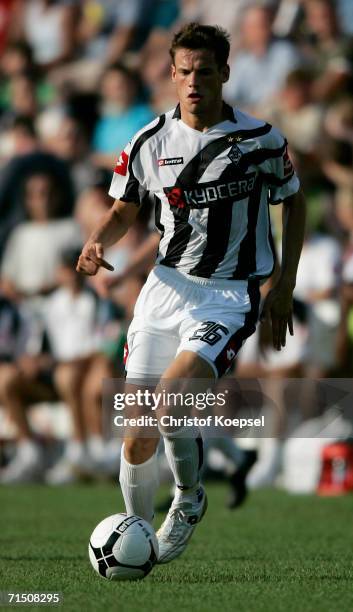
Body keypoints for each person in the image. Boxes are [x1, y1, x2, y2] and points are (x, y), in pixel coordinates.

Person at [77, 23, 306, 564]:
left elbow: (293, 201)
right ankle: (136, 537)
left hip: (227, 295)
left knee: (173, 397)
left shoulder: (261, 140)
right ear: (171, 75)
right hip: (164, 289)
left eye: (206, 71)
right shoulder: (148, 141)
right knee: (136, 433)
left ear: (225, 73)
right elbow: (122, 211)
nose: (194, 82)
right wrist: (94, 242)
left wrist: (284, 283)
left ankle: (188, 496)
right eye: (185, 72)